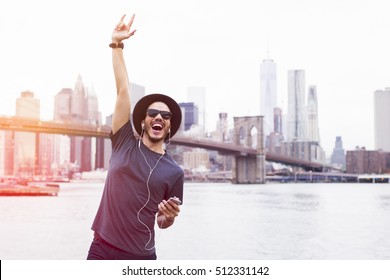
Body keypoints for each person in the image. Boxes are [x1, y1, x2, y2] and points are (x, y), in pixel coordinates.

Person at [87, 14, 184, 260]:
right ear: (143, 120)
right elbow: (122, 89)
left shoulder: (175, 173)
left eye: (165, 115)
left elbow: (162, 222)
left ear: (169, 126)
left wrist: (169, 216)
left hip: (141, 257)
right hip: (102, 248)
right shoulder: (123, 142)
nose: (159, 117)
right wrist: (116, 45)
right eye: (153, 113)